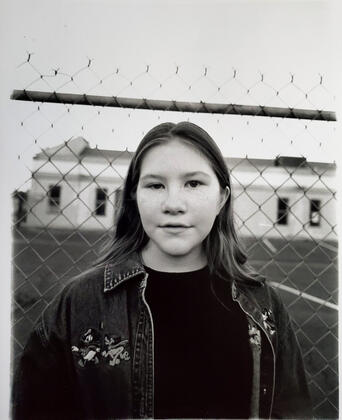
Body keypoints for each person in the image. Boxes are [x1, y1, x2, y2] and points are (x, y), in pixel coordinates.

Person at [12, 121, 312, 419]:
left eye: (193, 183)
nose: (173, 204)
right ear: (134, 196)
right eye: (155, 185)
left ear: (222, 197)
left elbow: (292, 410)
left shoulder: (262, 305)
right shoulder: (79, 304)